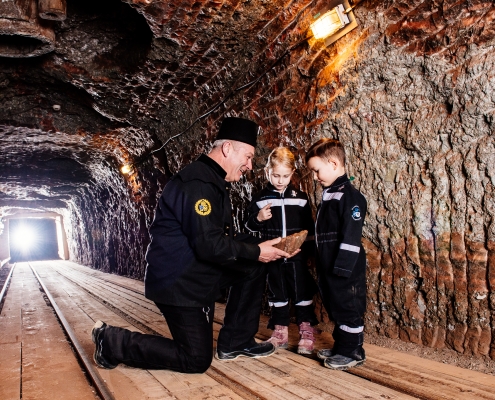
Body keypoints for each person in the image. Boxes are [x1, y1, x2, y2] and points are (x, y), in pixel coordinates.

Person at [91, 117, 298, 373]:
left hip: (198, 271)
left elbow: (222, 239)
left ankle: (235, 341)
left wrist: (265, 246)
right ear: (227, 149)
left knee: (254, 266)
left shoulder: (213, 180)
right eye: (247, 157)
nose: (249, 165)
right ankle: (112, 342)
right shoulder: (198, 184)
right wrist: (257, 251)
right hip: (179, 282)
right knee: (195, 360)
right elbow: (210, 246)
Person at [245, 147, 319, 354]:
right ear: (267, 171)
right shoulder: (260, 199)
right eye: (276, 175)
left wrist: (310, 253)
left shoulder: (301, 198)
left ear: (293, 173)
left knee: (301, 291)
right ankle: (280, 330)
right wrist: (258, 219)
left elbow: (309, 229)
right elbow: (249, 229)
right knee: (278, 292)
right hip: (274, 256)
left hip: (297, 255)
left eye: (285, 176)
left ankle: (306, 330)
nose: (280, 180)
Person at [305, 138, 367, 370]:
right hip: (329, 266)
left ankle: (353, 351)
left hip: (345, 268)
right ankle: (342, 347)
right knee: (336, 306)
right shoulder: (329, 194)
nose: (315, 177)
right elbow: (321, 232)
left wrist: (343, 268)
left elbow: (351, 236)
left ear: (332, 163)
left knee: (349, 308)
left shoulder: (350, 197)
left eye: (316, 171)